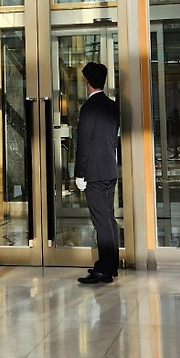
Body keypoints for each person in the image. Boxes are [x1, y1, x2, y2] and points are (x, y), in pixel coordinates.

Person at [74, 62, 121, 285]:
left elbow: (84, 143)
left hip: (94, 172)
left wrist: (79, 173)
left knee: (102, 222)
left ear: (87, 82)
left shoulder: (88, 108)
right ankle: (110, 265)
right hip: (110, 169)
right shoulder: (112, 106)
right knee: (109, 219)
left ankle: (105, 269)